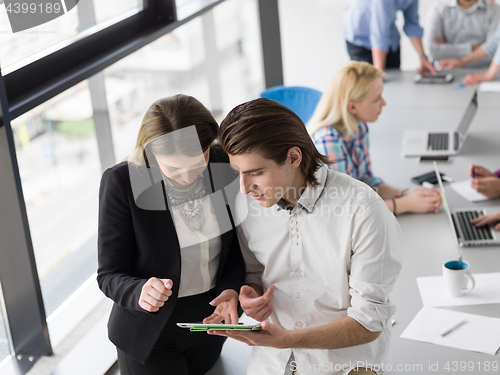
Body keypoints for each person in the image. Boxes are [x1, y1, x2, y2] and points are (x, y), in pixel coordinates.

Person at [213, 98, 404, 375]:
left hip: (344, 364)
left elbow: (369, 322)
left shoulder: (363, 210)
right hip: (272, 362)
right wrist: (251, 295)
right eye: (238, 173)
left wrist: (287, 339)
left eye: (255, 172)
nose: (244, 188)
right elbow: (255, 270)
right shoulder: (248, 203)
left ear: (293, 157)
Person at [97, 95, 245, 375]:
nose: (188, 178)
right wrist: (140, 290)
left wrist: (230, 289)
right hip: (149, 333)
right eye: (174, 168)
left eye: (198, 162)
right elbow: (108, 275)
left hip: (209, 324)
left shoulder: (222, 164)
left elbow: (235, 249)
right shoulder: (122, 182)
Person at [307, 61, 442, 216]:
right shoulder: (328, 141)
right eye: (376, 99)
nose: (384, 103)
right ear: (352, 107)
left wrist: (405, 193)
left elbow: (364, 181)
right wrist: (406, 204)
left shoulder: (359, 126)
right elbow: (349, 208)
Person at [343, 0, 436, 73]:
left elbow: (412, 24)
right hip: (360, 38)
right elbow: (379, 33)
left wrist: (423, 57)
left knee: (392, 81)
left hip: (388, 38)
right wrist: (378, 72)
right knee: (371, 86)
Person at [425, 0, 500, 64]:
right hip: (445, 69)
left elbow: (494, 51)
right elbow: (434, 52)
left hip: (484, 71)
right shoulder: (438, 8)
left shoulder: (494, 9)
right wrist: (481, 47)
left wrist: (447, 48)